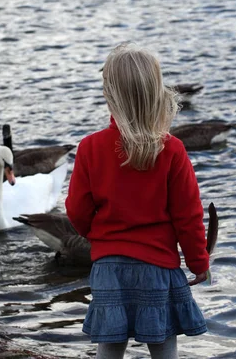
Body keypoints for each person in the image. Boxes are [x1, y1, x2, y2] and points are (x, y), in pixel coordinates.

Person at [65, 43, 209, 359]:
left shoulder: (90, 148)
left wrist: (100, 237)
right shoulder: (171, 151)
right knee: (163, 343)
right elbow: (188, 217)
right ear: (156, 93)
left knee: (111, 345)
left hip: (108, 267)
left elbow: (76, 210)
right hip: (158, 267)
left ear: (108, 95)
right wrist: (198, 262)